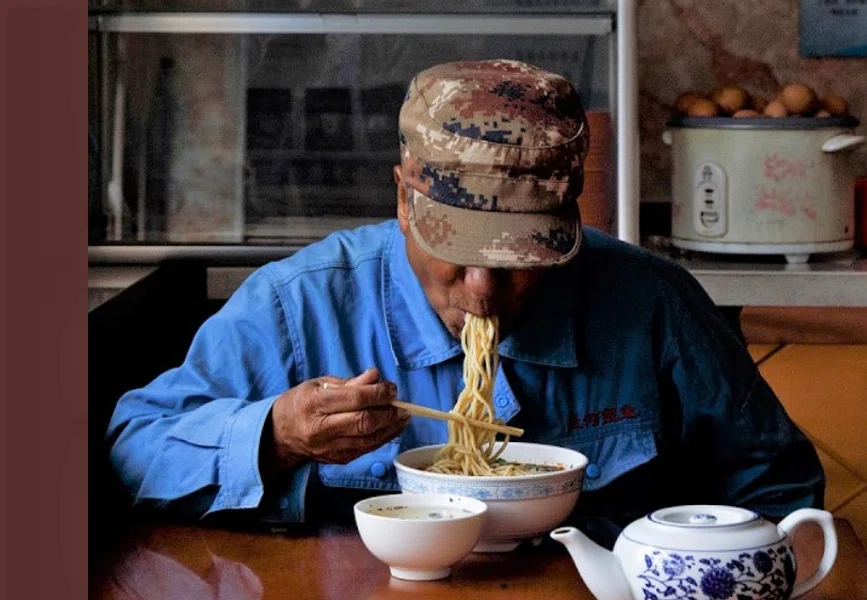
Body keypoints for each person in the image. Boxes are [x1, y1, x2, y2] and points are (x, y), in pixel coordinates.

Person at [106, 59, 824, 531]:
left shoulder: (651, 303)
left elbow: (778, 490)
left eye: (518, 259)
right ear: (404, 202)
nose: (482, 292)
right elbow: (133, 448)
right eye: (456, 251)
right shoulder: (300, 304)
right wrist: (277, 437)